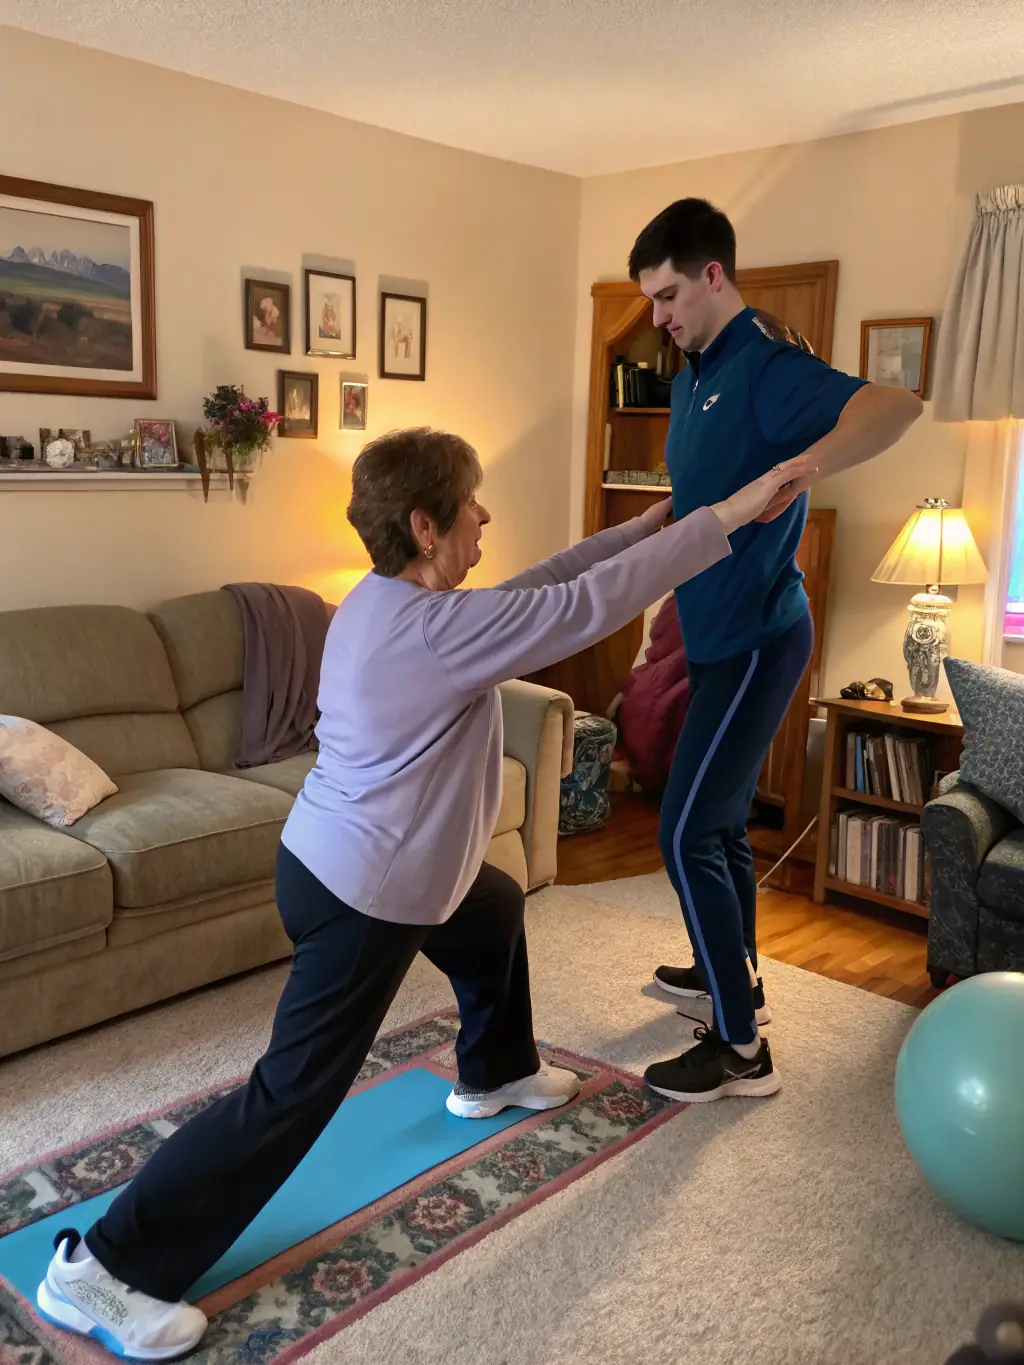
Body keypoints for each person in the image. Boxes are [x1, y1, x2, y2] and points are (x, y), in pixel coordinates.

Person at [37, 426, 810, 1361]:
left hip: (354, 860)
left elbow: (553, 582)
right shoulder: (433, 633)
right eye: (473, 502)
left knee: (489, 906)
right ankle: (107, 1271)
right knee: (292, 1092)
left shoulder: (390, 603)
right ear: (426, 525)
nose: (486, 513)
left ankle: (497, 1067)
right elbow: (590, 605)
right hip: (365, 892)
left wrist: (648, 522)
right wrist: (727, 516)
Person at [627, 198, 924, 1104]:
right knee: (715, 824)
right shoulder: (692, 373)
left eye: (670, 294)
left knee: (683, 828)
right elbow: (710, 485)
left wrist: (806, 467)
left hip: (760, 633)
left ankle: (740, 1046)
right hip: (710, 629)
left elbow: (895, 406)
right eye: (650, 300)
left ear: (713, 274)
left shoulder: (764, 362)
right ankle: (733, 974)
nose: (660, 316)